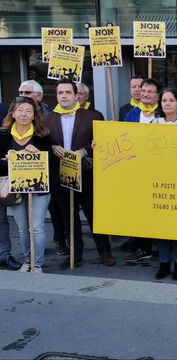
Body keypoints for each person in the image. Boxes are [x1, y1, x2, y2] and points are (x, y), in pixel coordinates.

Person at [45, 79, 115, 268]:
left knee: (94, 215)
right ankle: (75, 253)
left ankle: (105, 251)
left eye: (68, 92)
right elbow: (42, 143)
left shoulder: (93, 116)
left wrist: (85, 151)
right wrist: (52, 147)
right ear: (56, 95)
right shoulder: (47, 119)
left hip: (87, 174)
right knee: (69, 216)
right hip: (60, 176)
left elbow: (102, 143)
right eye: (60, 93)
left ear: (76, 95)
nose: (64, 96)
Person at [0, 97, 52, 272]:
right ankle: (27, 262)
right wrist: (7, 160)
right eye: (20, 110)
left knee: (36, 227)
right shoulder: (4, 135)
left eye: (28, 111)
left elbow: (52, 163)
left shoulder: (42, 135)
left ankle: (36, 264)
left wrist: (38, 154)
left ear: (34, 115)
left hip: (39, 189)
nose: (24, 114)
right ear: (13, 113)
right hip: (14, 190)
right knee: (23, 229)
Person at [152, 89, 177, 280]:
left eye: (171, 100)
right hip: (159, 176)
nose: (167, 103)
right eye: (164, 100)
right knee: (161, 225)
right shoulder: (153, 122)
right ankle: (163, 262)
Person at [122, 78, 162, 261]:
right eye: (143, 91)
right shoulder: (132, 113)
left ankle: (163, 246)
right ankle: (143, 247)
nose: (145, 94)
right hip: (136, 169)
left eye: (150, 92)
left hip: (159, 169)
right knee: (140, 208)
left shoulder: (163, 114)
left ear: (158, 95)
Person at [0, 101, 21, 271]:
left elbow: (10, 141)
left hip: (1, 173)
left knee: (1, 220)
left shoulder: (3, 110)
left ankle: (4, 255)